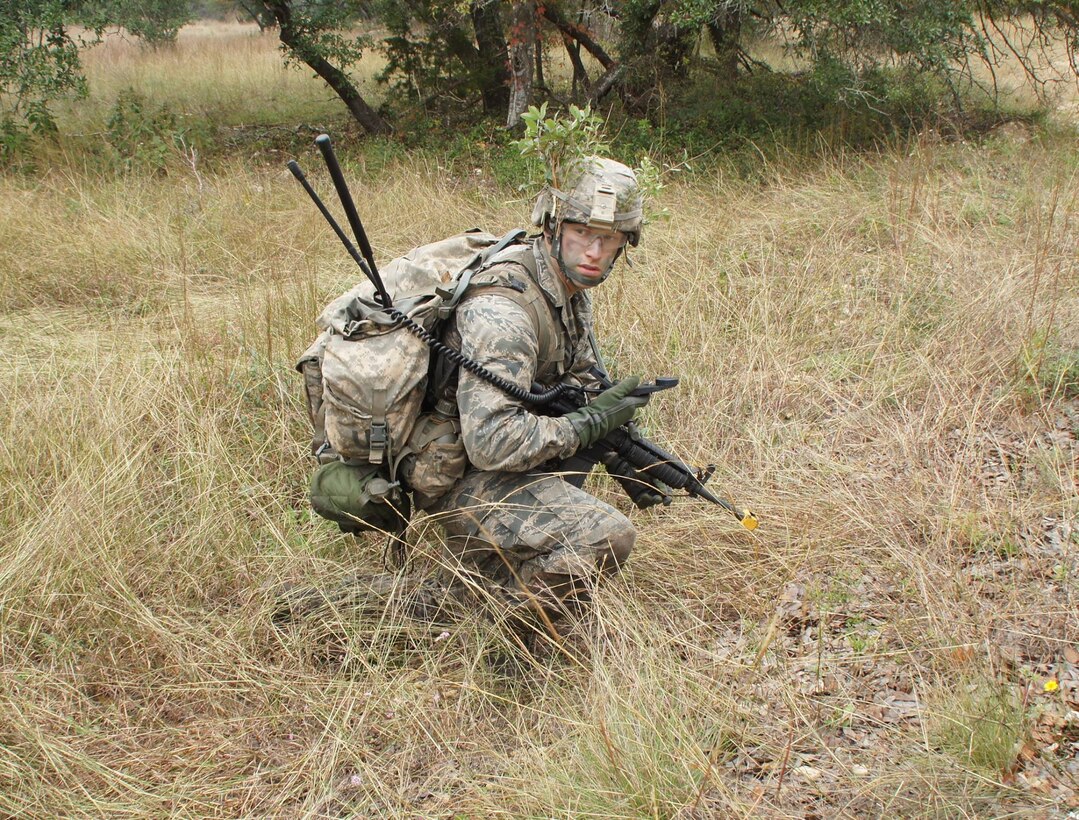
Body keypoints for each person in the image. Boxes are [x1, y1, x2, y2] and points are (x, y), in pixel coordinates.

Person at [418, 156, 651, 637]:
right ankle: (500, 633)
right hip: (455, 472)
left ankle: (493, 570)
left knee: (592, 437)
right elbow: (491, 442)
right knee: (608, 534)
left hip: (485, 462)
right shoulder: (504, 310)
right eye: (583, 233)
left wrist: (625, 445)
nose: (593, 250)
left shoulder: (565, 288)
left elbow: (581, 380)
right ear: (553, 225)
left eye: (608, 240)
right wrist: (585, 426)